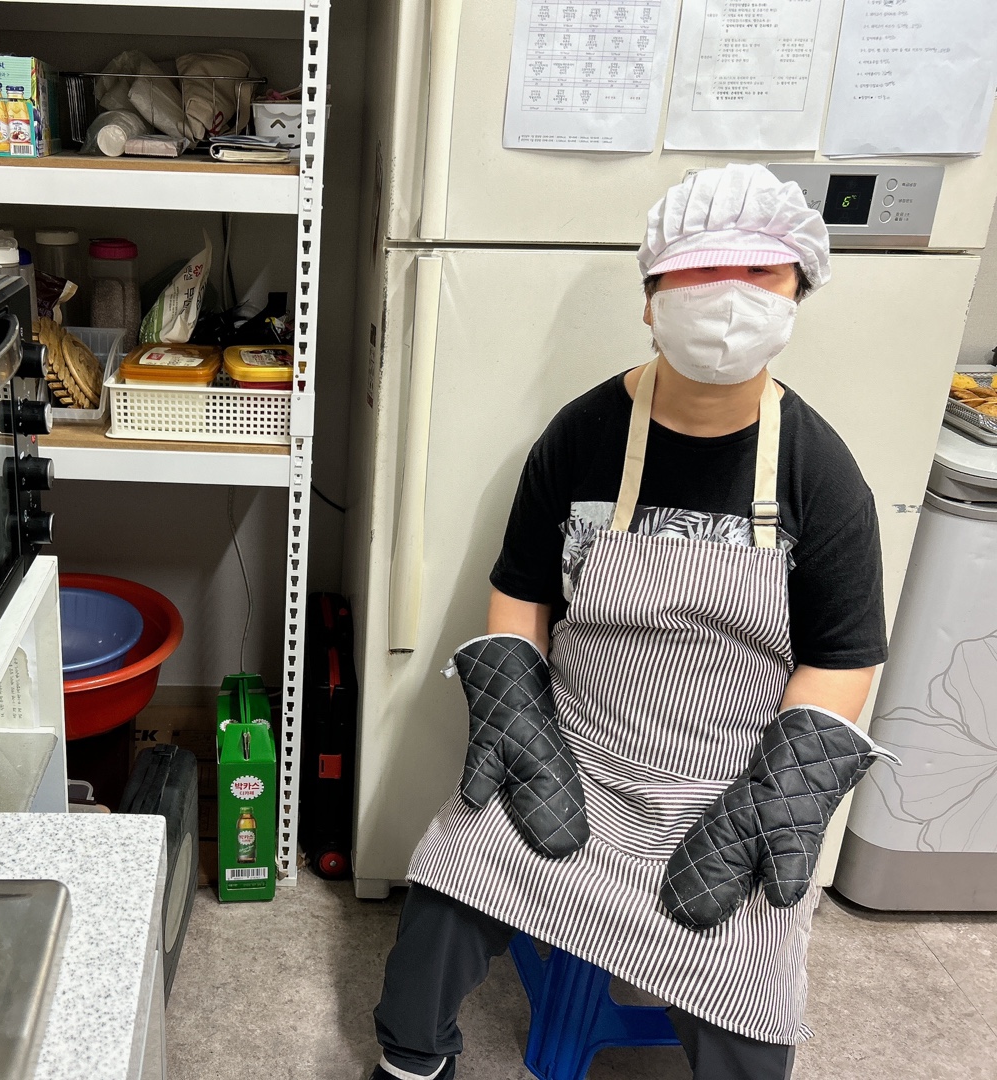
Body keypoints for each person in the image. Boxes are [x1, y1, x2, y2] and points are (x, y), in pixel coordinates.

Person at [368, 163, 897, 1080]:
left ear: (797, 292)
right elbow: (523, 593)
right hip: (572, 752)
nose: (726, 296)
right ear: (651, 297)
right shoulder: (583, 433)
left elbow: (844, 657)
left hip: (724, 783)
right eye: (699, 270)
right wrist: (519, 719)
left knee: (752, 1006)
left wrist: (775, 796)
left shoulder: (821, 471)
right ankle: (412, 1063)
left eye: (758, 272)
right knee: (442, 898)